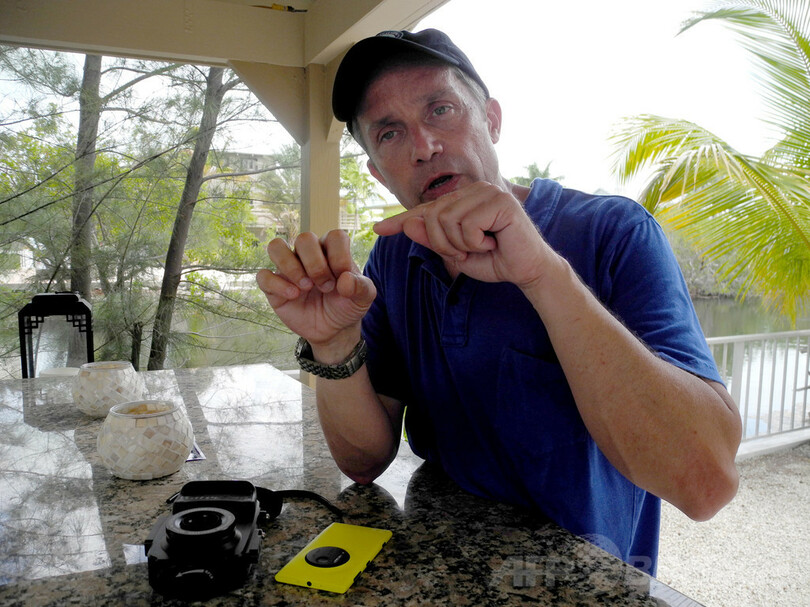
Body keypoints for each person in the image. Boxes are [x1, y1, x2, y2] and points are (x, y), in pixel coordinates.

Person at [256, 29, 742, 575]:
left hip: (586, 575)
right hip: (441, 561)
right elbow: (363, 462)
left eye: (441, 110)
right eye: (389, 133)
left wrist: (543, 275)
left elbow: (705, 485)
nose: (423, 146)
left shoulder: (613, 232)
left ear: (491, 120)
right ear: (377, 170)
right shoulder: (395, 258)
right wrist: (333, 343)